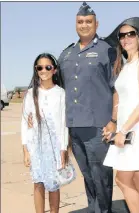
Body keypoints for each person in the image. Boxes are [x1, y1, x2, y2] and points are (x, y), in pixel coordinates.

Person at [58, 2, 117, 213]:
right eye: (80, 22)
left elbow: (117, 88)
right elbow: (53, 85)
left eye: (88, 21)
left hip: (98, 127)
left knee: (101, 175)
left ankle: (103, 210)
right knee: (88, 175)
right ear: (76, 24)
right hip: (74, 127)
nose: (84, 25)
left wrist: (114, 121)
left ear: (96, 23)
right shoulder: (66, 54)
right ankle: (94, 209)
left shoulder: (107, 50)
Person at [103, 17, 139, 213]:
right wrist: (114, 124)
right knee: (137, 177)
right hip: (126, 128)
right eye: (121, 36)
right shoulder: (125, 65)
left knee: (122, 179)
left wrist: (123, 130)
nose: (125, 39)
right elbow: (122, 100)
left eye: (130, 34)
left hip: (136, 129)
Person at [21, 53, 68, 213]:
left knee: (54, 185)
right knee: (38, 183)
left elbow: (63, 124)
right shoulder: (30, 94)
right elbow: (25, 123)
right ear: (36, 70)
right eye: (39, 67)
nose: (44, 70)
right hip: (36, 147)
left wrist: (64, 149)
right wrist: (26, 149)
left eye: (48, 67)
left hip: (55, 147)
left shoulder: (61, 93)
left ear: (54, 70)